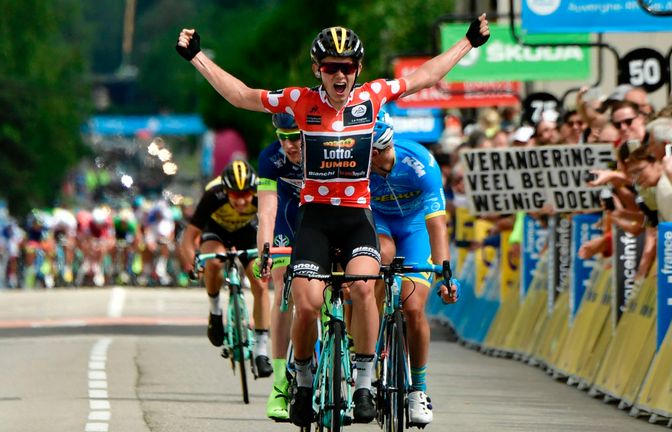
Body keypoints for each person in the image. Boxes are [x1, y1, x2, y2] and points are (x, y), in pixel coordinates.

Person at [176, 16, 489, 426]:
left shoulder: (372, 98)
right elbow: (242, 96)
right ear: (317, 70)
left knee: (364, 287)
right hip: (316, 221)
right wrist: (197, 56)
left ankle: (361, 382)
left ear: (357, 70)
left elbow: (425, 76)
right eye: (330, 67)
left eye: (347, 67)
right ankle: (302, 380)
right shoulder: (299, 102)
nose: (339, 74)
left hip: (357, 218)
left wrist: (468, 41)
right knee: (305, 304)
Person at [369, 113, 459, 426]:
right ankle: (368, 339)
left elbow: (437, 224)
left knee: (413, 307)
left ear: (377, 151)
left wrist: (445, 273)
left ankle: (418, 390)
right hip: (377, 222)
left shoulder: (421, 163)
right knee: (383, 254)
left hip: (415, 226)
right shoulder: (358, 162)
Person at [179, 159, 274, 378]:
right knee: (214, 262)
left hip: (248, 232)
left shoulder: (262, 193)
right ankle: (215, 311)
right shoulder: (213, 195)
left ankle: (260, 350)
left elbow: (273, 225)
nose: (241, 202)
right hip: (217, 231)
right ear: (225, 191)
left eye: (246, 195)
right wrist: (192, 263)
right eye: (235, 196)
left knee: (259, 282)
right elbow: (189, 237)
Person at [256, 113, 303, 422]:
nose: (288, 144)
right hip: (286, 219)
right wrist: (265, 251)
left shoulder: (324, 148)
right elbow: (267, 211)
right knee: (284, 289)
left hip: (319, 216)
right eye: (282, 137)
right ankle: (280, 385)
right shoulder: (271, 158)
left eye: (295, 136)